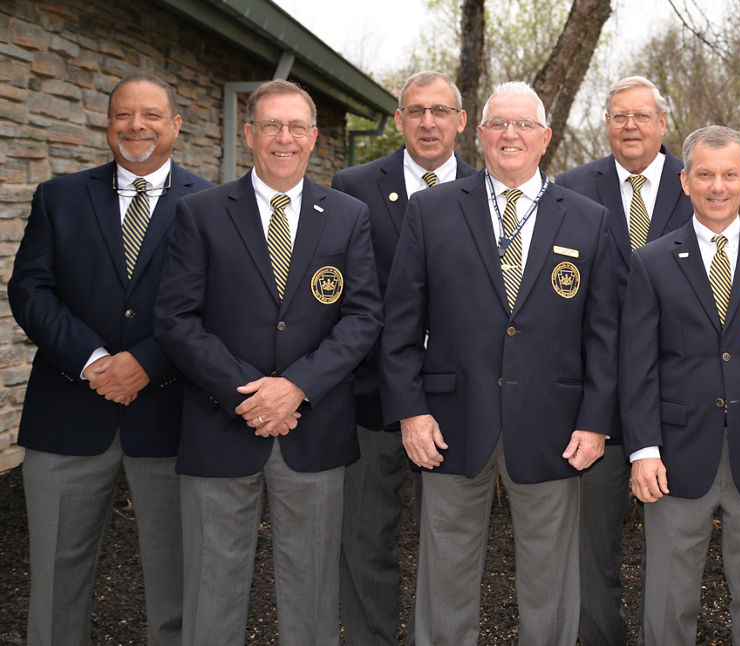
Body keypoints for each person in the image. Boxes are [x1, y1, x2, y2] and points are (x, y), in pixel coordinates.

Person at [379, 80, 621, 646]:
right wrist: (411, 412)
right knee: (446, 574)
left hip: (554, 426)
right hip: (449, 423)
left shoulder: (589, 219)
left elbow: (606, 334)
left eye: (524, 125)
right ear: (480, 134)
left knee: (550, 579)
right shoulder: (431, 211)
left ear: (546, 139)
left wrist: (594, 420)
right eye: (498, 124)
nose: (510, 134)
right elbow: (400, 326)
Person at [153, 79, 382, 646]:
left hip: (315, 429)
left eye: (297, 127)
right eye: (272, 126)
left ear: (313, 136)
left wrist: (296, 387)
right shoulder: (200, 212)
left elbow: (362, 318)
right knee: (212, 595)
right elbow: (176, 318)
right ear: (250, 133)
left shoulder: (348, 215)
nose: (285, 138)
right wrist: (248, 393)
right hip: (220, 423)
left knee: (311, 596)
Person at [8, 73, 214, 646]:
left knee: (176, 586)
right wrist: (94, 359)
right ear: (107, 124)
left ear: (176, 125)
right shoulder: (59, 197)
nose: (136, 127)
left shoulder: (212, 203)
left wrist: (148, 363)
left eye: (151, 115)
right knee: (52, 585)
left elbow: (217, 306)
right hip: (68, 411)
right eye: (123, 115)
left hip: (170, 418)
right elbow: (30, 290)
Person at [623, 124, 740, 645]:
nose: (717, 186)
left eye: (730, 174)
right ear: (684, 181)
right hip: (675, 457)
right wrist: (643, 449)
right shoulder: (653, 260)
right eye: (705, 175)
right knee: (668, 599)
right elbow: (637, 366)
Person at [329, 69, 477, 646]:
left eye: (441, 111)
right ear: (398, 120)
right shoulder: (355, 184)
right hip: (371, 396)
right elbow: (339, 290)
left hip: (457, 401)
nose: (428, 122)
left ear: (461, 122)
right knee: (366, 538)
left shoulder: (493, 188)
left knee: (450, 545)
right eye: (415, 111)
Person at [555, 74, 693, 646]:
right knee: (591, 546)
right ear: (606, 124)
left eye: (641, 116)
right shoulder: (570, 188)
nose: (630, 126)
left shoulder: (703, 183)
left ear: (664, 122)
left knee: (679, 552)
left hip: (681, 400)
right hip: (595, 400)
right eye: (619, 116)